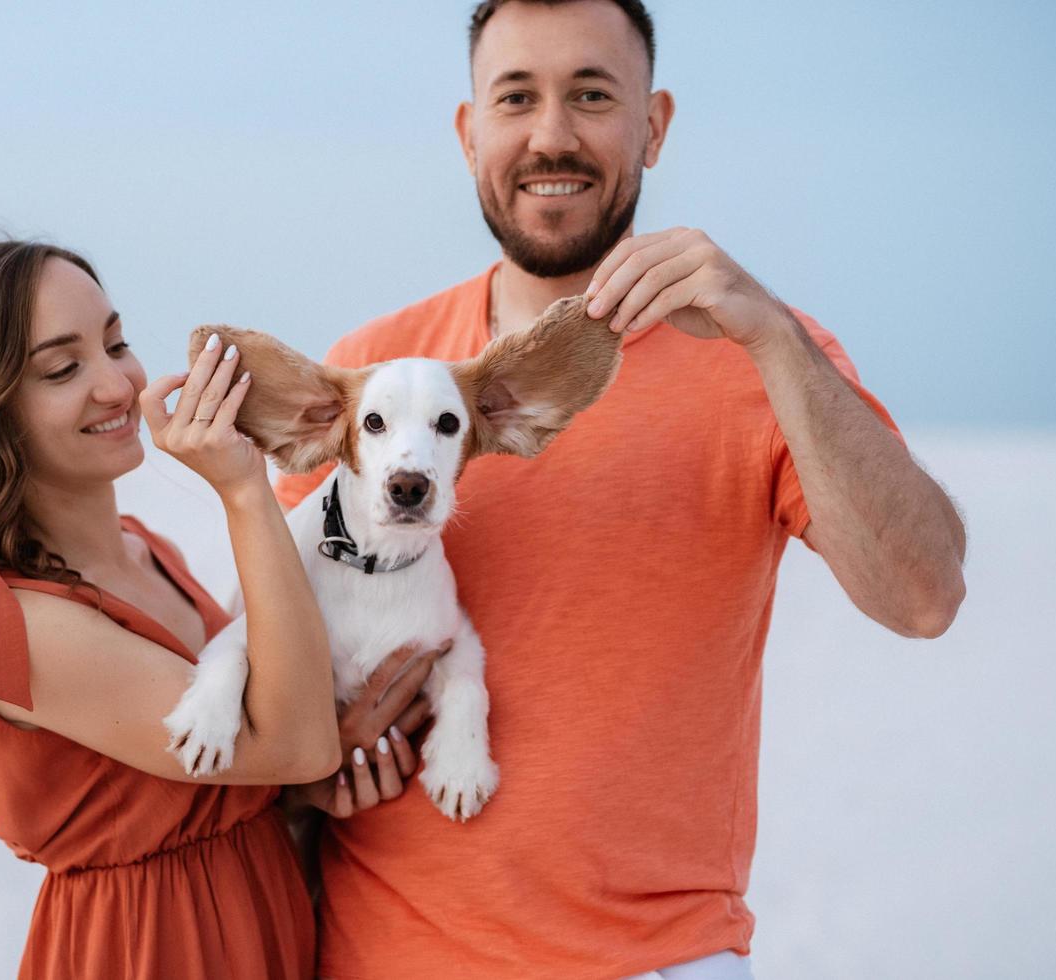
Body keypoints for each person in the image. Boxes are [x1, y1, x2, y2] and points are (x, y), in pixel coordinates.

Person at [274, 2, 969, 978]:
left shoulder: (765, 360)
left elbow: (923, 594)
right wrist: (317, 773)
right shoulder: (368, 378)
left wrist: (772, 336)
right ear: (470, 131)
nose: (550, 134)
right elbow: (269, 691)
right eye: (516, 97)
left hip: (661, 959)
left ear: (654, 123)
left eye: (592, 95)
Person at [0, 240, 432, 978]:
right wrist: (241, 488)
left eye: (116, 343)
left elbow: (258, 760)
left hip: (259, 917)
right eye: (63, 369)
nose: (116, 384)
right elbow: (296, 741)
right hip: (149, 948)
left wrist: (297, 795)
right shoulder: (13, 624)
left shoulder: (143, 547)